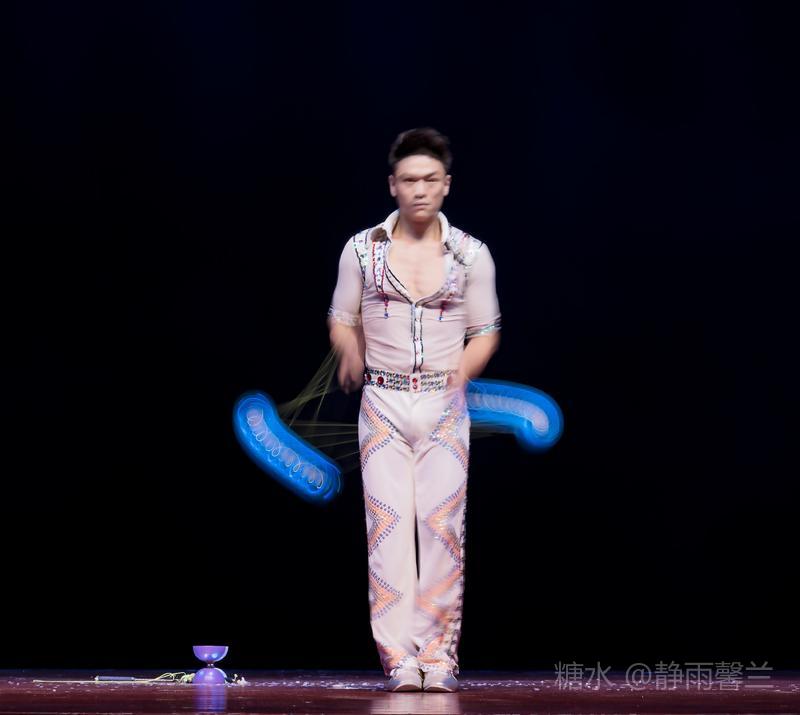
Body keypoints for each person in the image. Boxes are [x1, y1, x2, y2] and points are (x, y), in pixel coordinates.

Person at [326, 127, 501, 693]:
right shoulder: (361, 249)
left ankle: (438, 656)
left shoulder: (470, 254)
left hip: (443, 403)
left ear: (446, 184)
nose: (420, 190)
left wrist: (461, 375)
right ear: (392, 185)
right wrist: (348, 348)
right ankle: (398, 657)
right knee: (388, 530)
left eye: (430, 179)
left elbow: (486, 330)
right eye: (409, 180)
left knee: (442, 528)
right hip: (383, 399)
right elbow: (341, 316)